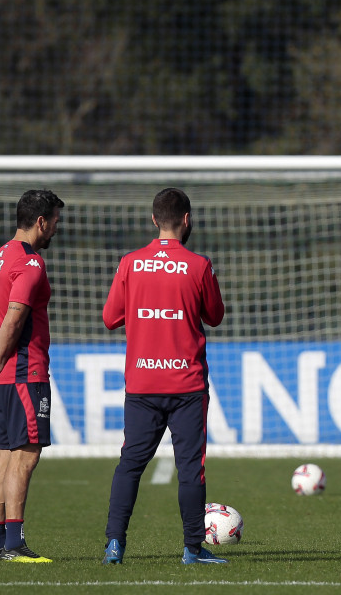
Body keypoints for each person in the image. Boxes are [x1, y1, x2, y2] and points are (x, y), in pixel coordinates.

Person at [101, 187, 226, 565]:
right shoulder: (199, 265)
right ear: (186, 220)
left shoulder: (130, 263)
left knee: (130, 465)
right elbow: (215, 316)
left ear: (154, 220)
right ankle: (192, 549)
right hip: (186, 384)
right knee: (190, 468)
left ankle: (114, 545)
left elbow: (110, 318)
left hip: (141, 383)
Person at [0, 189, 65, 563]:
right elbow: (12, 316)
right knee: (25, 456)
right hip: (24, 371)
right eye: (56, 221)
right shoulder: (30, 264)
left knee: (5, 454)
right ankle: (14, 544)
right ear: (41, 221)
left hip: (4, 374)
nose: (57, 229)